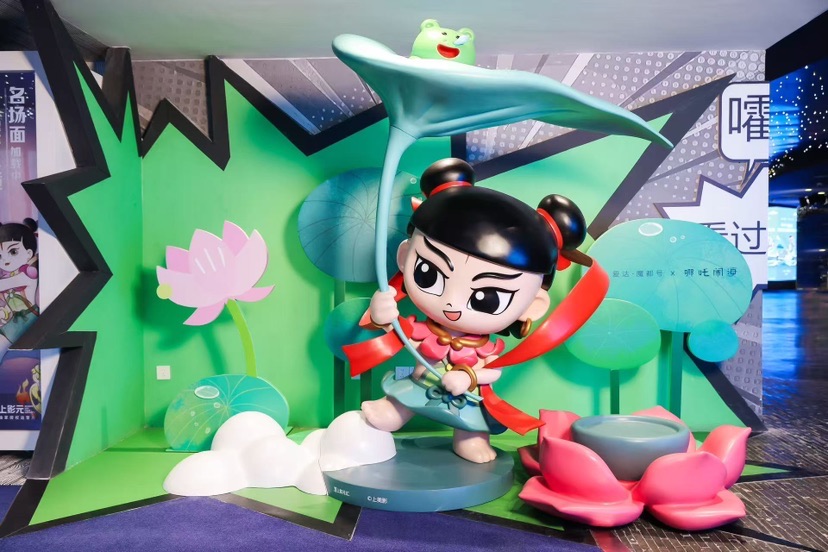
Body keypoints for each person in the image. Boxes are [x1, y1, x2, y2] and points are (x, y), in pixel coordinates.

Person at [344, 159, 607, 463]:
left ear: (532, 306)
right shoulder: (427, 330)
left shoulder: (484, 348)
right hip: (419, 384)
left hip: (464, 397)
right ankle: (394, 410)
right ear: (405, 257)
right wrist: (383, 316)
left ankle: (468, 439)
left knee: (471, 419)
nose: (452, 304)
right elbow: (401, 335)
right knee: (406, 395)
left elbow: (492, 370)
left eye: (486, 297)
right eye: (429, 273)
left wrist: (468, 377)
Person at [0, 218, 39, 361]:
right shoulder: (9, 274)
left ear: (29, 253)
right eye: (0, 256)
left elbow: (3, 285)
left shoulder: (28, 274)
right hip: (14, 318)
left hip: (27, 317)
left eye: (13, 252)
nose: (5, 260)